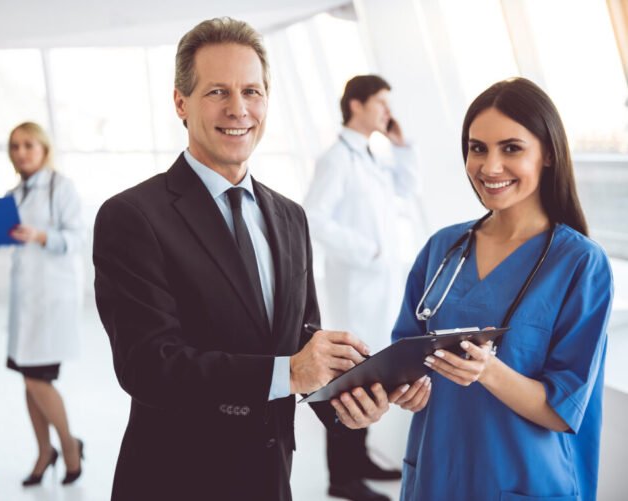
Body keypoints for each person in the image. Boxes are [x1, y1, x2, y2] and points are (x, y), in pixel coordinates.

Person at [93, 17, 420, 501]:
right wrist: (288, 371)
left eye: (252, 91)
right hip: (174, 480)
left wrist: (355, 397)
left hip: (270, 478)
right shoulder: (133, 216)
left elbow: (303, 343)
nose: (238, 109)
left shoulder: (289, 217)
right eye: (217, 92)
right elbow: (148, 365)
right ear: (180, 102)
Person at [392, 77, 613, 501]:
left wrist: (488, 371)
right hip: (437, 474)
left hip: (523, 479)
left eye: (511, 148)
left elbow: (564, 410)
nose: (489, 167)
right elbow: (405, 355)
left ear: (548, 153)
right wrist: (404, 389)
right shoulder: (443, 247)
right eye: (478, 148)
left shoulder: (581, 264)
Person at [304, 74, 419, 501]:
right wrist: (367, 252)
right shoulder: (336, 159)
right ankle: (342, 478)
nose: (388, 111)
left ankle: (360, 458)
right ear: (355, 104)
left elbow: (408, 189)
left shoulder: (373, 156)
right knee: (348, 379)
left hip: (378, 291)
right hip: (355, 288)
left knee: (369, 375)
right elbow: (312, 216)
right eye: (381, 103)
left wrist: (403, 146)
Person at [6, 122, 85, 486]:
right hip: (27, 300)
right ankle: (43, 451)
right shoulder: (15, 194)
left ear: (44, 148)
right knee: (28, 381)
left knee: (40, 382)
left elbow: (75, 237)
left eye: (28, 145)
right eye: (15, 146)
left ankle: (69, 447)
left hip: (53, 299)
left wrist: (40, 236)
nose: (21, 152)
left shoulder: (61, 187)